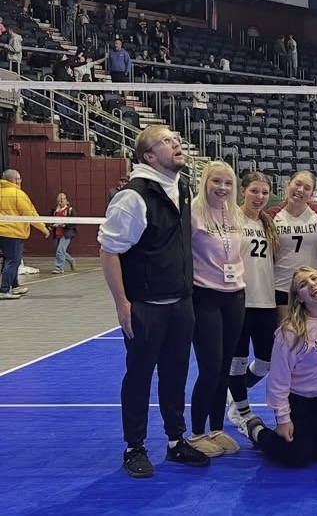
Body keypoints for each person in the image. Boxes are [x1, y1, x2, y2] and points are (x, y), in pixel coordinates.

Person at [98, 126, 210, 477]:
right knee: (139, 377)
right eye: (166, 141)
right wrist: (122, 304)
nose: (176, 143)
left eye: (176, 139)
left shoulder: (183, 188)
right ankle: (134, 447)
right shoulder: (132, 197)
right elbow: (109, 251)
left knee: (175, 374)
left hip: (181, 303)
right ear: (148, 156)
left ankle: (176, 441)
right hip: (146, 306)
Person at [242, 267, 317, 467]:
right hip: (299, 399)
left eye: (315, 279)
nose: (312, 285)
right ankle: (257, 431)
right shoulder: (290, 332)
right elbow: (278, 381)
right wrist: (283, 419)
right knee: (297, 455)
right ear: (299, 298)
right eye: (303, 285)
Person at [186, 161, 246, 457]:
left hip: (234, 296)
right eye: (216, 182)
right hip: (204, 297)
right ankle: (196, 433)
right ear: (205, 182)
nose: (222, 188)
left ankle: (216, 429)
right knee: (209, 368)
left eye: (227, 183)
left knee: (224, 368)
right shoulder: (193, 213)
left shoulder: (233, 213)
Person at [227, 172, 281, 430]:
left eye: (264, 192)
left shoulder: (268, 223)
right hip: (239, 302)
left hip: (266, 301)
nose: (259, 197)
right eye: (254, 191)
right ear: (243, 191)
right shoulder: (231, 219)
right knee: (236, 361)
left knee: (265, 362)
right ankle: (241, 410)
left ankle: (232, 392)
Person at [268, 170, 317, 331]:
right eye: (298, 184)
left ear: (312, 194)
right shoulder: (272, 215)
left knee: (312, 333)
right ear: (288, 185)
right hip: (282, 285)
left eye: (307, 188)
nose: (301, 190)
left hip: (311, 287)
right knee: (288, 334)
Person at [0, 169, 49, 299]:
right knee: (13, 261)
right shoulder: (18, 194)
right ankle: (4, 290)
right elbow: (30, 213)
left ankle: (15, 287)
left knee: (9, 261)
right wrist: (43, 228)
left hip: (2, 233)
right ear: (14, 180)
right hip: (13, 233)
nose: (21, 181)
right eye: (19, 178)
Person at [49, 192, 78, 274]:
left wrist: (65, 224)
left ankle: (59, 268)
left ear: (66, 200)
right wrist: (50, 226)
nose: (60, 201)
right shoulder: (55, 210)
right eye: (59, 199)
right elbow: (50, 219)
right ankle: (71, 260)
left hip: (66, 233)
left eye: (62, 199)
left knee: (60, 250)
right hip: (57, 233)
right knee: (60, 250)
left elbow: (74, 221)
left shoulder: (70, 210)